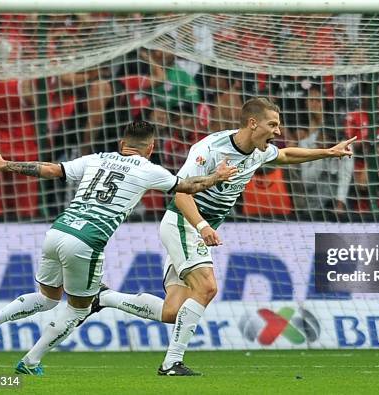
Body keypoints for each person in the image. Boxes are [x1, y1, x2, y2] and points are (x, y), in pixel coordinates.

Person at [82, 97, 356, 376]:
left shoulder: (258, 151)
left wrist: (328, 153)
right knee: (208, 288)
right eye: (272, 124)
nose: (278, 131)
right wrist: (202, 227)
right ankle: (171, 363)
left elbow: (285, 155)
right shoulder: (209, 149)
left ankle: (103, 298)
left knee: (172, 312)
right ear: (252, 123)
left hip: (196, 227)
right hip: (183, 222)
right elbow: (180, 194)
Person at [0, 120, 237, 375]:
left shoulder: (96, 159)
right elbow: (188, 187)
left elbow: (50, 169)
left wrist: (5, 164)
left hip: (58, 230)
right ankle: (30, 361)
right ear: (151, 148)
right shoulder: (150, 170)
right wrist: (217, 176)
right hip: (86, 242)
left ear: (122, 143)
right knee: (79, 308)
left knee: (47, 298)